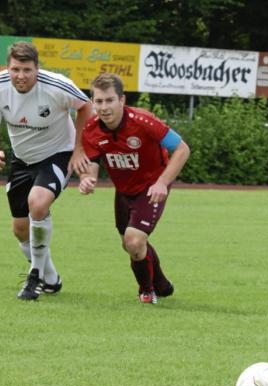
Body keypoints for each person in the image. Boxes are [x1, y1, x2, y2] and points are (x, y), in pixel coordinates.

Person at [0, 42, 92, 300]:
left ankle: (34, 277)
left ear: (37, 69)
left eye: (27, 70)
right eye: (15, 69)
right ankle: (50, 279)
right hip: (22, 160)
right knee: (20, 229)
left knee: (38, 204)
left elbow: (86, 106)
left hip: (58, 153)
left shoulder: (56, 86)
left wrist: (79, 149)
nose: (20, 76)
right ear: (7, 68)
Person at [71, 73, 191, 304]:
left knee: (134, 241)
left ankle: (146, 291)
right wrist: (87, 179)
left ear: (122, 100)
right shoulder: (92, 129)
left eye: (109, 100)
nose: (104, 107)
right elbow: (93, 165)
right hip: (124, 191)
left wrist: (162, 183)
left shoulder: (144, 122)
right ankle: (162, 284)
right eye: (98, 101)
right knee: (131, 244)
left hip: (151, 188)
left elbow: (182, 149)